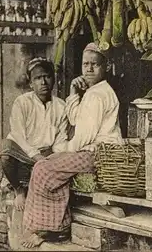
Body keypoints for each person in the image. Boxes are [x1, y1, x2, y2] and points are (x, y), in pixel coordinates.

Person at [21, 43, 123, 248]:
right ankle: (57, 225)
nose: (89, 69)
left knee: (43, 168)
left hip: (97, 154)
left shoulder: (97, 94)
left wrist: (62, 151)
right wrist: (74, 92)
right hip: (93, 151)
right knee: (49, 165)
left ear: (106, 67)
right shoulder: (95, 91)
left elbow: (83, 136)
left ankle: (51, 230)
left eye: (95, 64)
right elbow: (76, 118)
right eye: (85, 64)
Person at [0, 57, 67, 211]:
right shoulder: (22, 102)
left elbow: (61, 140)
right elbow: (17, 135)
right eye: (37, 78)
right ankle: (18, 189)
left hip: (46, 155)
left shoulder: (61, 106)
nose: (43, 82)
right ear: (31, 83)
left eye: (47, 77)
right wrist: (37, 157)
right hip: (23, 154)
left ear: (53, 79)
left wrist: (53, 158)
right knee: (5, 149)